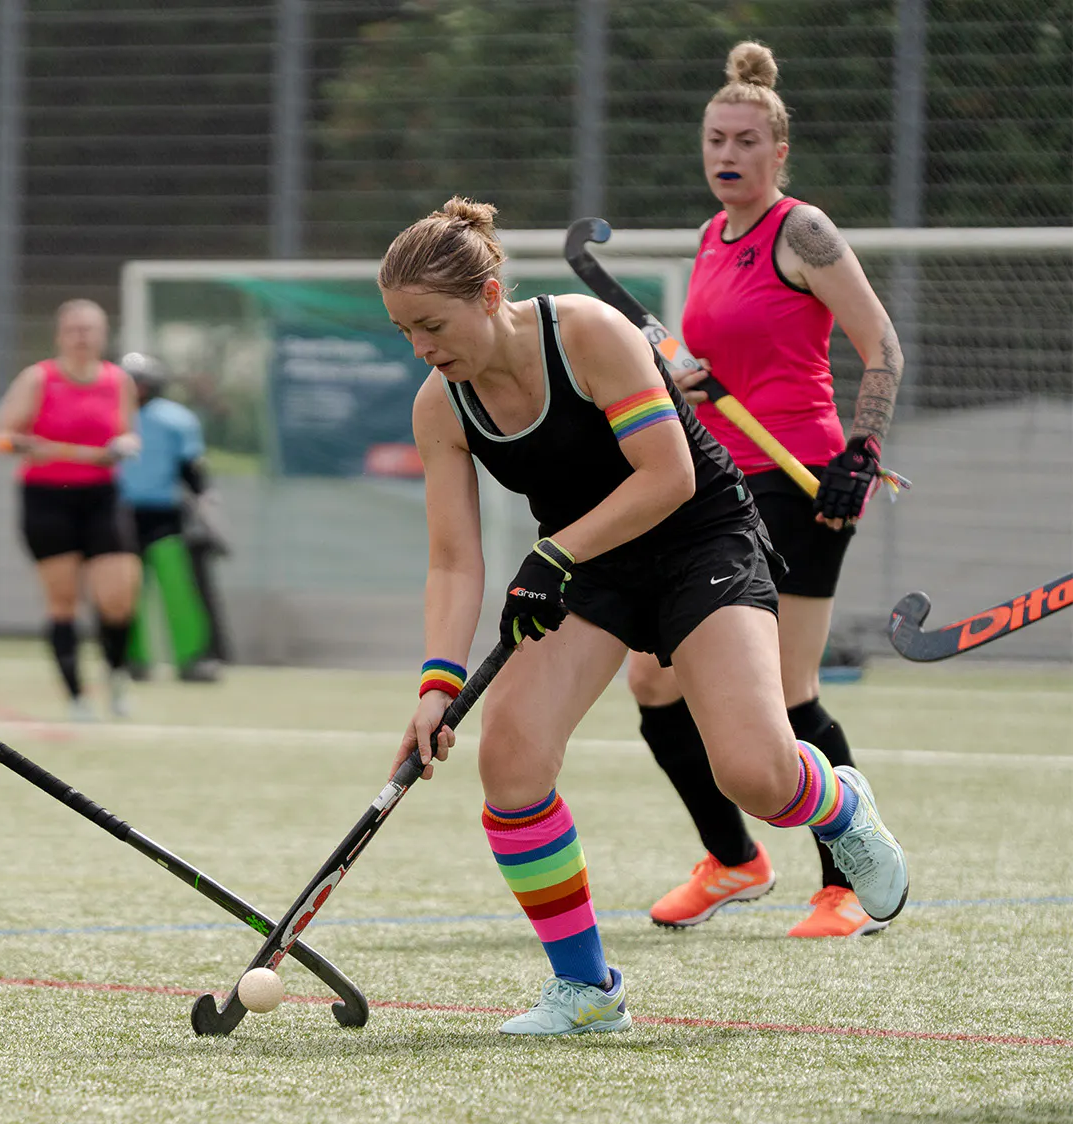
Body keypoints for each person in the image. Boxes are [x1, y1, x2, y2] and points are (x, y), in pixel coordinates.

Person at [380, 197, 909, 1036]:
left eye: (431, 325)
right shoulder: (441, 405)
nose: (421, 347)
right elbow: (453, 559)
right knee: (511, 762)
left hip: (699, 537)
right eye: (405, 331)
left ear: (488, 295)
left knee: (755, 776)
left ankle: (839, 806)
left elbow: (668, 475)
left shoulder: (586, 333)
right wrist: (437, 684)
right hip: (592, 564)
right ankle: (588, 990)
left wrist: (554, 555)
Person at [631, 41, 908, 940]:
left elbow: (882, 345)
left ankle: (846, 885)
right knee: (653, 681)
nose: (728, 154)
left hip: (803, 484)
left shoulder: (803, 231)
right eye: (716, 139)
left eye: (746, 141)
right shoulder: (711, 236)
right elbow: (719, 363)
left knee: (786, 690)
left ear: (777, 152)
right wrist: (682, 378)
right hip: (716, 485)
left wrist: (862, 453)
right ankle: (735, 860)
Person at [0, 300, 141, 719]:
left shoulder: (118, 381)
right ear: (60, 335)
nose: (81, 337)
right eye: (74, 329)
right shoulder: (38, 379)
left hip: (102, 496)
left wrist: (125, 445)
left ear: (103, 335)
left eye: (89, 329)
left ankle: (116, 674)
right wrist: (25, 444)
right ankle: (77, 697)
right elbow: (3, 436)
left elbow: (129, 434)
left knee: (118, 598)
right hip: (47, 498)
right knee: (63, 601)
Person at [117, 351, 227, 682]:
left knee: (178, 589)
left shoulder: (176, 418)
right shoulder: (107, 414)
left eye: (141, 382)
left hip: (165, 515)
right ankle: (130, 659)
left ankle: (193, 659)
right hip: (118, 513)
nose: (136, 388)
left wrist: (204, 500)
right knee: (124, 590)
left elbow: (191, 466)